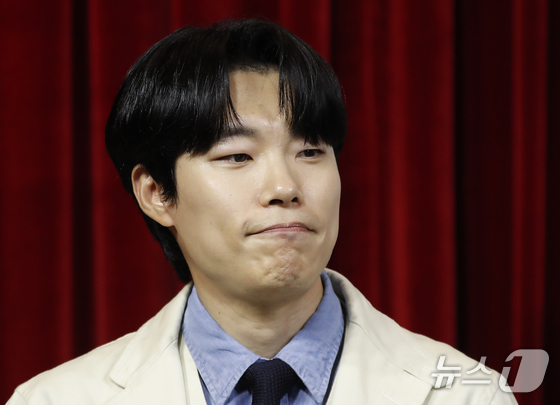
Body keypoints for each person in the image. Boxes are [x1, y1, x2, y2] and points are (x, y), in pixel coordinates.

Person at [7, 19, 517, 405]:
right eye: (237, 156)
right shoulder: (55, 400)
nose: (284, 187)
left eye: (310, 151)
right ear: (157, 192)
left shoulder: (467, 394)